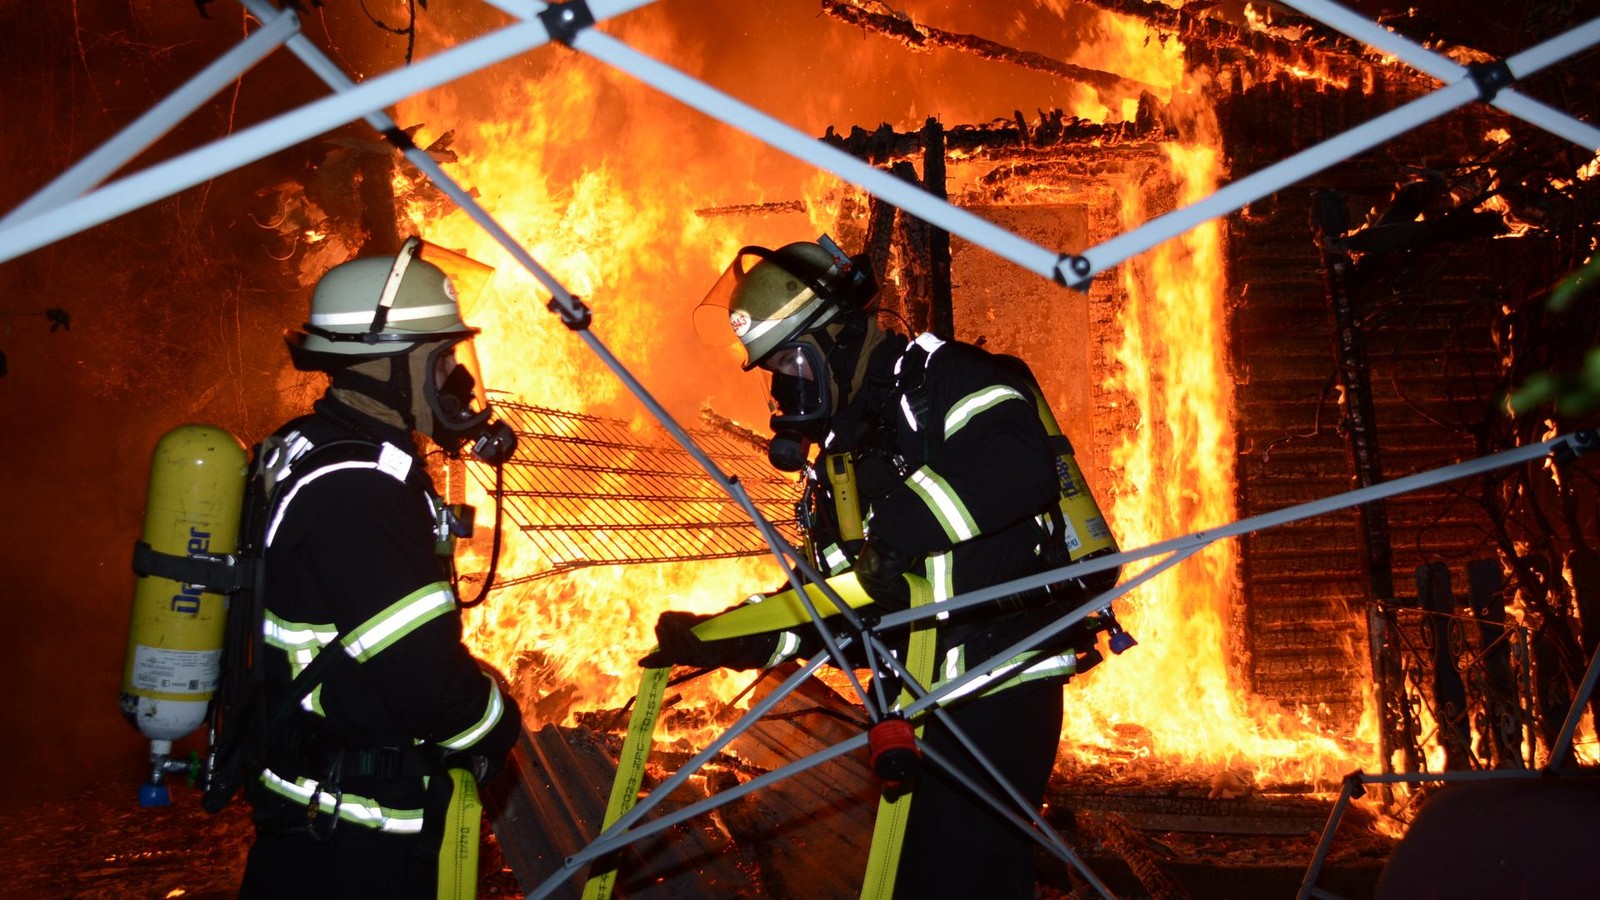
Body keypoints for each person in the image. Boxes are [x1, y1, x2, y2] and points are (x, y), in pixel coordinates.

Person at [646, 237, 1116, 897]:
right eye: (773, 370)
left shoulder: (942, 377)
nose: (784, 388)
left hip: (1003, 679)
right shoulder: (843, 462)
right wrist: (735, 636)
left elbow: (1017, 463)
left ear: (837, 340)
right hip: (926, 702)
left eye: (793, 363)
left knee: (960, 880)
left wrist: (900, 531)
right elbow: (841, 605)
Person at [236, 237, 523, 899]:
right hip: (350, 838)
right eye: (441, 357)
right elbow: (425, 684)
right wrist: (498, 721)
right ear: (385, 366)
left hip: (319, 818)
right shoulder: (359, 488)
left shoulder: (317, 448)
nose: (458, 378)